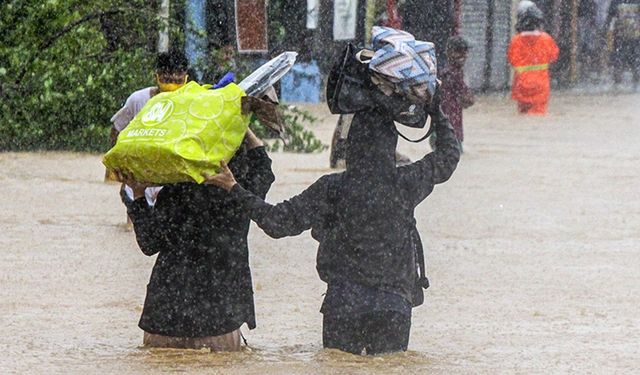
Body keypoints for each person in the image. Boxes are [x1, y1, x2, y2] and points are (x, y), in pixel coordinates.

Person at [205, 94, 460, 355]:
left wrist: (233, 188)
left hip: (343, 303)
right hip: (392, 304)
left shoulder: (331, 188)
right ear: (391, 147)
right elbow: (449, 154)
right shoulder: (406, 182)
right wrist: (434, 106)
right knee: (389, 369)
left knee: (337, 366)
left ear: (350, 148)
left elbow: (277, 222)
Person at [117, 128, 275, 350]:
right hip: (218, 318)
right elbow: (264, 170)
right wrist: (242, 126)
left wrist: (140, 195)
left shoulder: (174, 191)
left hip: (165, 315)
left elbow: (149, 243)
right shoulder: (240, 196)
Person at [108, 49, 190, 222]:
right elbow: (117, 128)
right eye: (167, 79)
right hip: (139, 177)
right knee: (134, 225)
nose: (172, 85)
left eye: (178, 80)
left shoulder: (192, 103)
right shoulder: (138, 99)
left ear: (186, 78)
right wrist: (116, 166)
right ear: (157, 76)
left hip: (171, 180)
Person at [507, 1, 559, 115]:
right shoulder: (546, 39)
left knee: (523, 116)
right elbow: (554, 56)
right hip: (540, 87)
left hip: (521, 86)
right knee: (538, 116)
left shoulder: (516, 41)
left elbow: (511, 60)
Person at [433, 35, 474, 152]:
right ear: (449, 53)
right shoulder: (450, 73)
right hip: (448, 129)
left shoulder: (454, 72)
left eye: (465, 52)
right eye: (459, 52)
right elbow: (461, 94)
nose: (464, 56)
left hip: (447, 127)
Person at [606, 0, 640, 89]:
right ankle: (617, 85)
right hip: (620, 37)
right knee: (618, 61)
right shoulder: (616, 1)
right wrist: (606, 31)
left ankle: (635, 84)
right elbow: (610, 17)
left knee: (635, 61)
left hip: (635, 37)